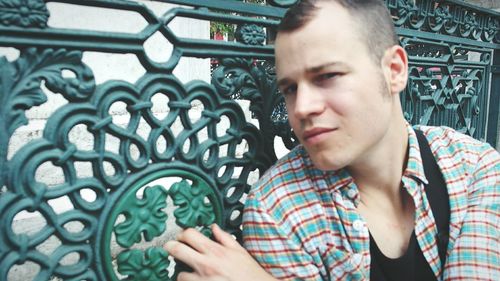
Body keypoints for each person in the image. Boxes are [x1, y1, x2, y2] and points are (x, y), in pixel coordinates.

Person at [164, 0, 500, 280]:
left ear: (395, 70)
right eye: (290, 88)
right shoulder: (279, 208)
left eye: (328, 76)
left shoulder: (473, 169)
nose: (302, 108)